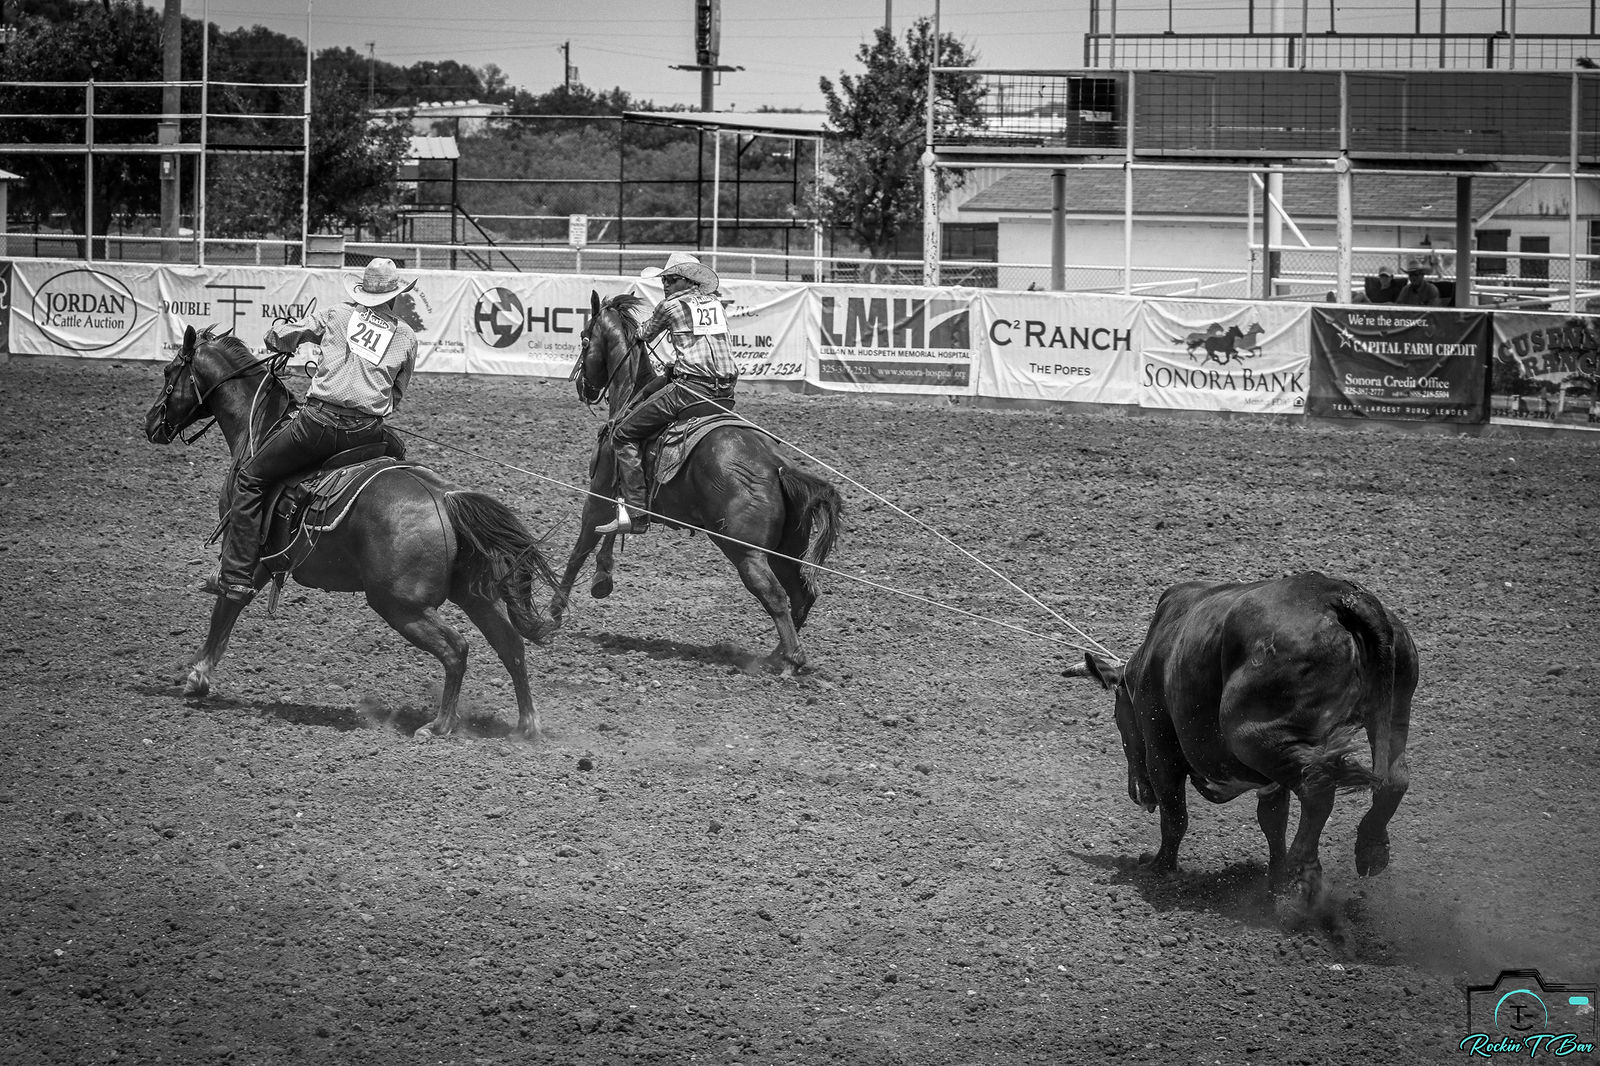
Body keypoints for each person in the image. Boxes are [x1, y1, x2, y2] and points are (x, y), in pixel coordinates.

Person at [204, 258, 419, 604]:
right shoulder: (406, 337)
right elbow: (397, 392)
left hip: (317, 426)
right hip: (367, 432)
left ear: (362, 292)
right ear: (395, 297)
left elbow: (280, 335)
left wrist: (282, 340)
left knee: (250, 477)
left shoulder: (336, 315)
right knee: (399, 455)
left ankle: (236, 573)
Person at [594, 253, 739, 536]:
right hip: (726, 392)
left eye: (671, 280)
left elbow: (645, 334)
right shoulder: (716, 304)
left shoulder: (670, 306)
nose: (666, 285)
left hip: (691, 390)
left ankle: (636, 513)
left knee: (623, 434)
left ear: (687, 281)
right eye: (664, 280)